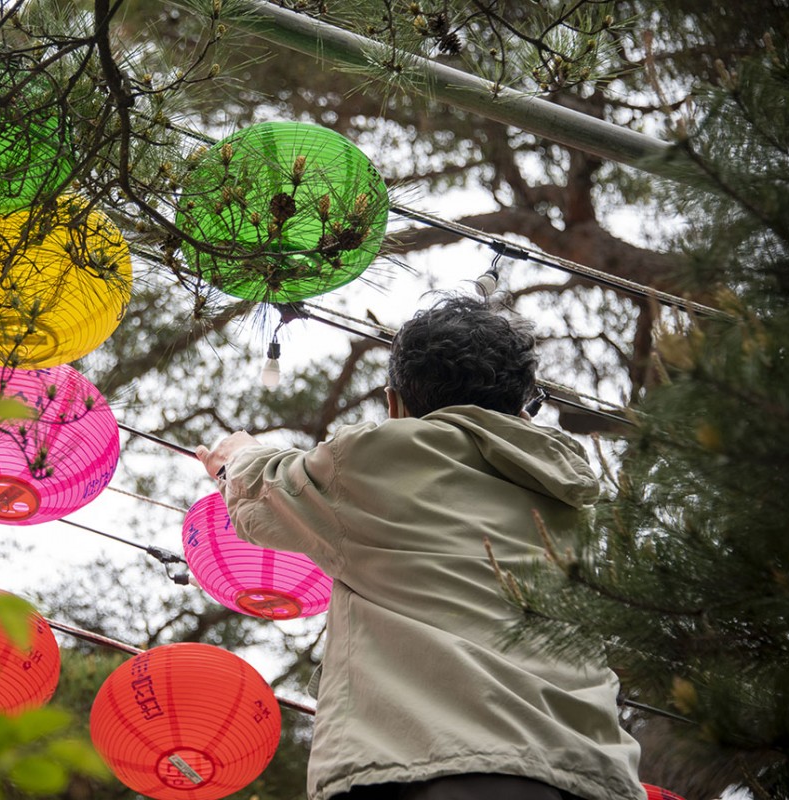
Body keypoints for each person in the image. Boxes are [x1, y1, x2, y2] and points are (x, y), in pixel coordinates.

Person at [195, 296, 644, 800]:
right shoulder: (579, 504)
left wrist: (236, 458)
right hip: (590, 775)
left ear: (395, 405)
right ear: (523, 410)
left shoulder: (376, 459)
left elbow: (269, 490)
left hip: (430, 767)